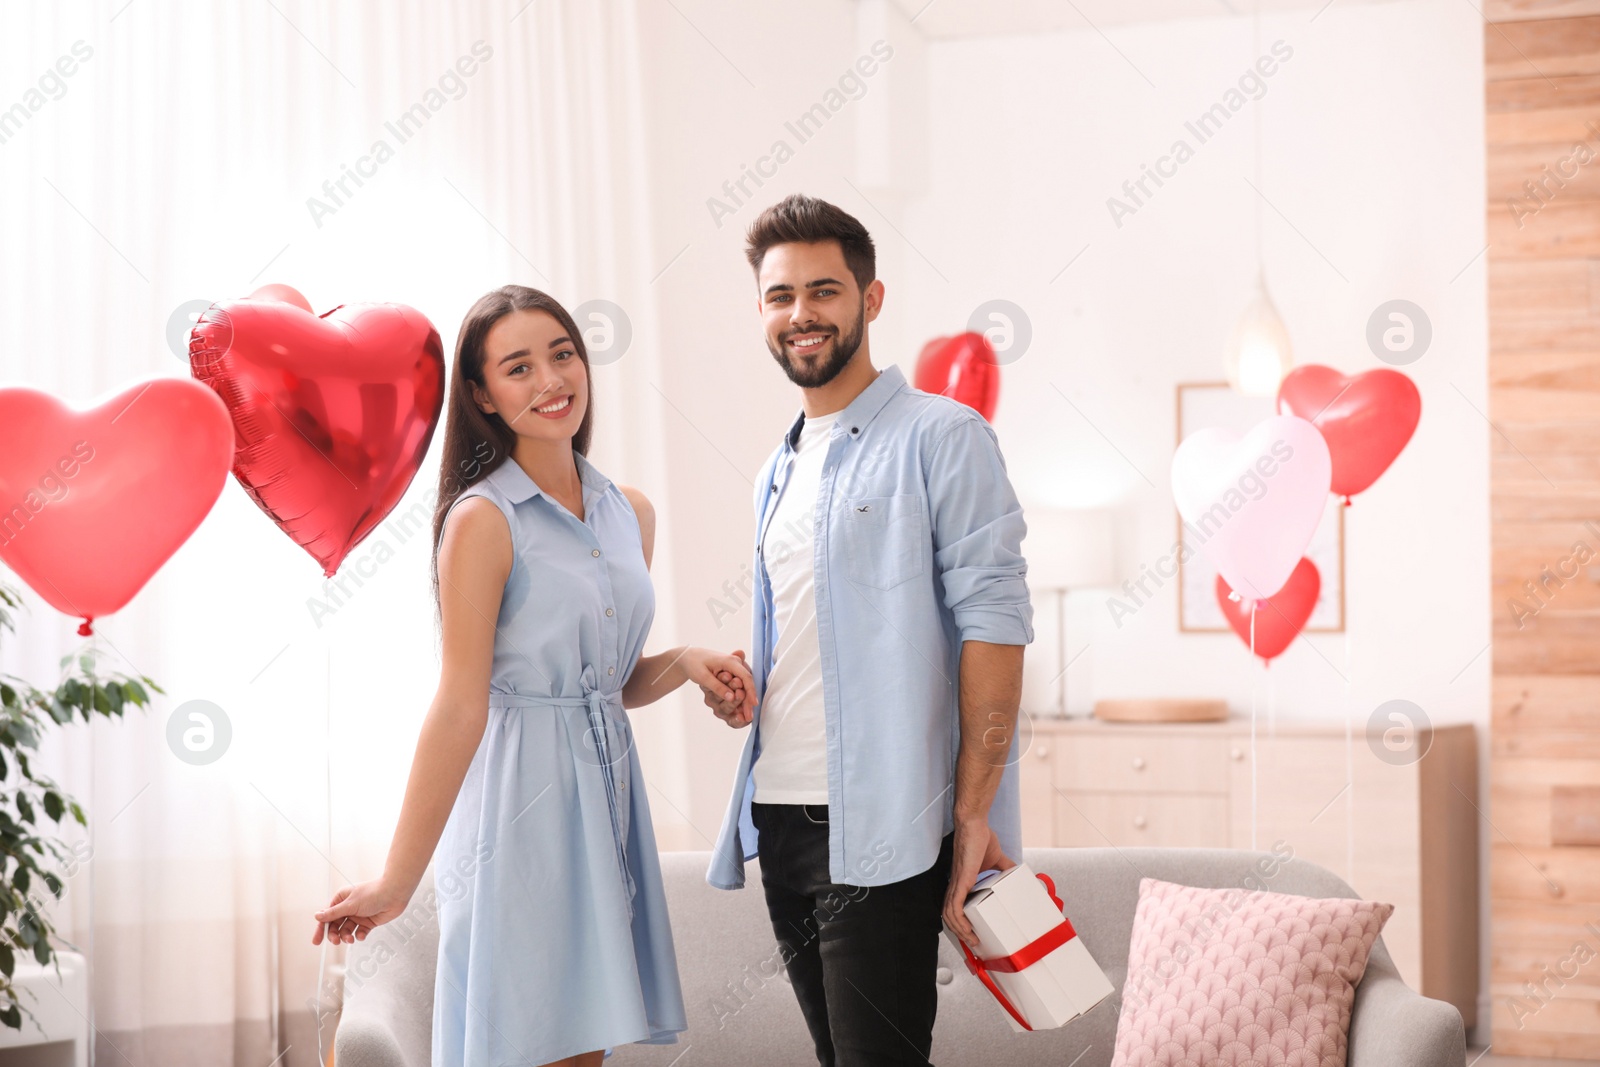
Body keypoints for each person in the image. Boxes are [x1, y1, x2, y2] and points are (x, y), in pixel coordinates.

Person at [311, 284, 756, 1067]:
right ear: (481, 394)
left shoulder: (630, 512)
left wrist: (684, 663)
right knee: (528, 1039)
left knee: (584, 1047)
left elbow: (604, 680)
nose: (552, 380)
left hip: (605, 802)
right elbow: (459, 703)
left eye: (562, 354)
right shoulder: (483, 520)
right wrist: (395, 881)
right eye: (519, 367)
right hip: (517, 809)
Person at [700, 194, 1035, 1066]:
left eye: (824, 290)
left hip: (889, 821)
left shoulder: (943, 436)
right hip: (780, 816)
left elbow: (995, 629)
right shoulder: (778, 466)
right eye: (781, 297)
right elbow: (823, 638)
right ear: (762, 313)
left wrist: (974, 811)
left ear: (871, 299)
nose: (802, 314)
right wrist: (749, 686)